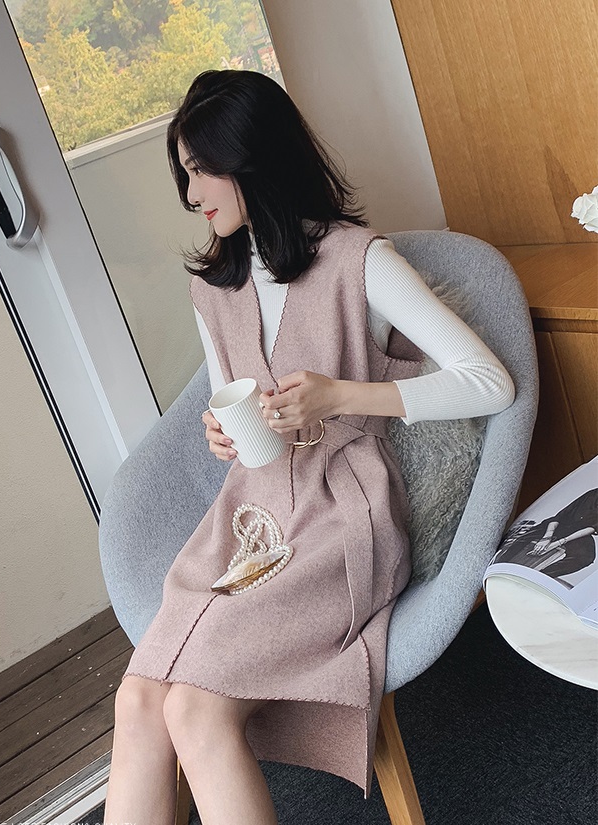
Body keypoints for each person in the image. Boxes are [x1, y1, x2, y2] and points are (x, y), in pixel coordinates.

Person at [103, 69, 515, 825]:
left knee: (194, 707)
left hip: (342, 519)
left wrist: (343, 395)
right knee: (138, 701)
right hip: (248, 518)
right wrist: (222, 434)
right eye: (184, 172)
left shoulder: (360, 260)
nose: (191, 194)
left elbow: (490, 382)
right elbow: (238, 405)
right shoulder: (213, 289)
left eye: (202, 169)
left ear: (253, 160)